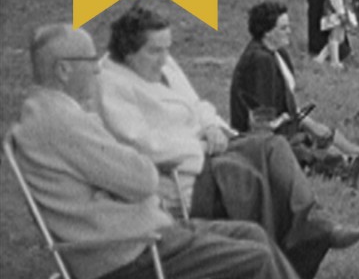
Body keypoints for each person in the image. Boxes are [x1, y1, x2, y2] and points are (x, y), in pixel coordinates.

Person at [93, 6, 359, 279]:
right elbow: (141, 143)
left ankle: (316, 224)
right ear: (128, 51)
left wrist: (211, 125)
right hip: (183, 167)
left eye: (167, 49)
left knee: (272, 146)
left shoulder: (162, 64)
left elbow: (196, 104)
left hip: (210, 144)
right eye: (155, 51)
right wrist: (198, 146)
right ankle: (284, 262)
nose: (164, 58)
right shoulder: (111, 84)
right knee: (249, 178)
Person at [14, 24, 299, 279]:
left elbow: (120, 177)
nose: (97, 69)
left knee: (252, 233)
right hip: (126, 253)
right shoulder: (63, 123)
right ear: (63, 70)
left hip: (143, 234)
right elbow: (143, 180)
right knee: (255, 258)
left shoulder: (45, 113)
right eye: (90, 61)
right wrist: (127, 173)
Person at [230, 1, 359, 168]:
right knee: (327, 153)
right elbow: (263, 116)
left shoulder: (278, 53)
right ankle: (356, 162)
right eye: (283, 28)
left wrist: (308, 122)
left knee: (327, 134)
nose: (289, 32)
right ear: (267, 32)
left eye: (288, 26)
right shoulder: (260, 60)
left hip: (284, 127)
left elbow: (285, 102)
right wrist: (304, 125)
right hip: (262, 138)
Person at [314, 0, 353, 67]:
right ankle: (334, 61)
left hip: (339, 7)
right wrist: (340, 11)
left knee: (340, 37)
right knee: (335, 35)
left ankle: (320, 58)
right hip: (334, 9)